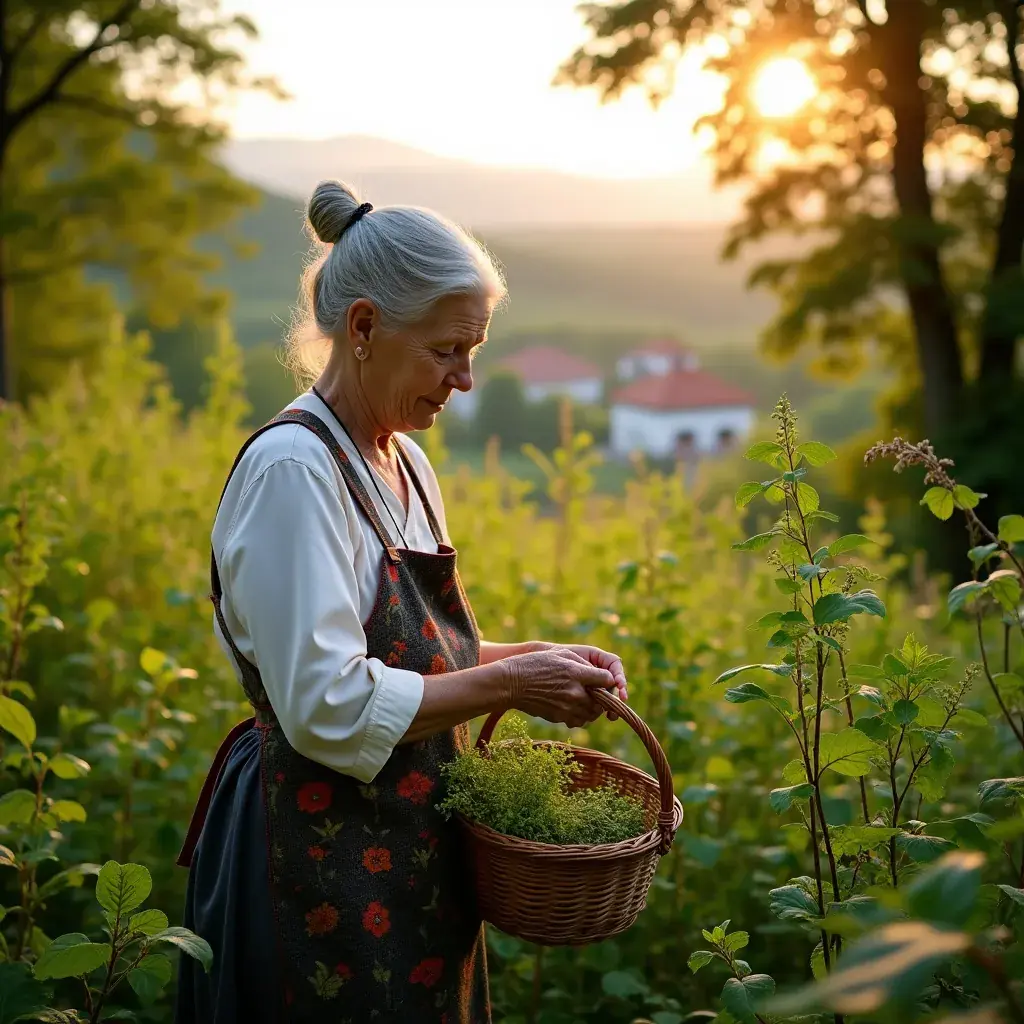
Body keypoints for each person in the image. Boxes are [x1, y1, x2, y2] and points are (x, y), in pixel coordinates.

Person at [174, 181, 629, 1024]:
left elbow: (423, 660)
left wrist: (538, 662)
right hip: (310, 858)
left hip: (412, 847)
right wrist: (509, 687)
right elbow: (325, 703)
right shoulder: (294, 474)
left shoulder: (403, 462)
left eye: (475, 349)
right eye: (448, 350)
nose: (465, 378)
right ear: (365, 328)